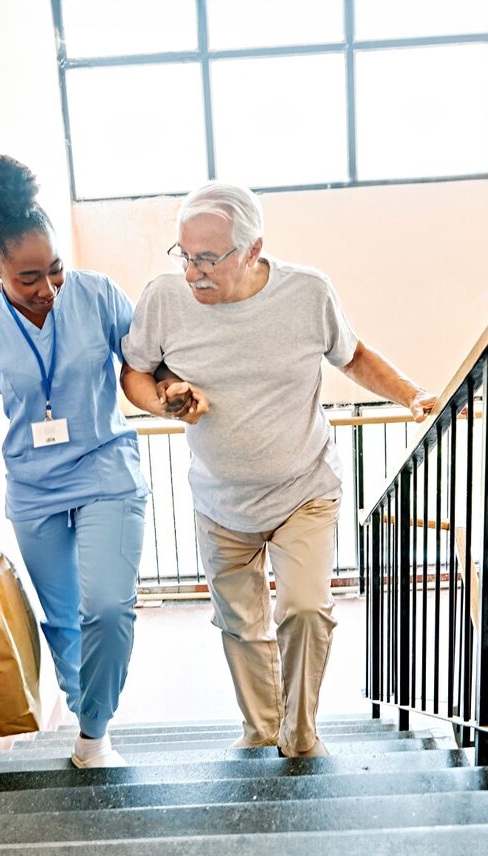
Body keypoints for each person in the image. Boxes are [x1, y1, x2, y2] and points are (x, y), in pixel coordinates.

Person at [120, 181, 436, 757]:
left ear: (253, 249)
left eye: (209, 258)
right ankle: (263, 730)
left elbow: (354, 355)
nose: (194, 273)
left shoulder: (308, 293)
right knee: (240, 628)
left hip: (302, 489)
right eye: (185, 255)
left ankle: (299, 733)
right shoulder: (163, 299)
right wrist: (164, 399)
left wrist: (410, 395)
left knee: (306, 610)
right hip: (220, 501)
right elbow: (134, 372)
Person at [0, 154, 149, 768]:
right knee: (63, 623)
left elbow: (141, 365)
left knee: (107, 607)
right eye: (29, 277)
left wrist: (167, 391)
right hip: (33, 490)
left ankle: (94, 724)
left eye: (56, 269)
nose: (48, 288)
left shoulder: (98, 294)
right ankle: (94, 732)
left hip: (106, 470)